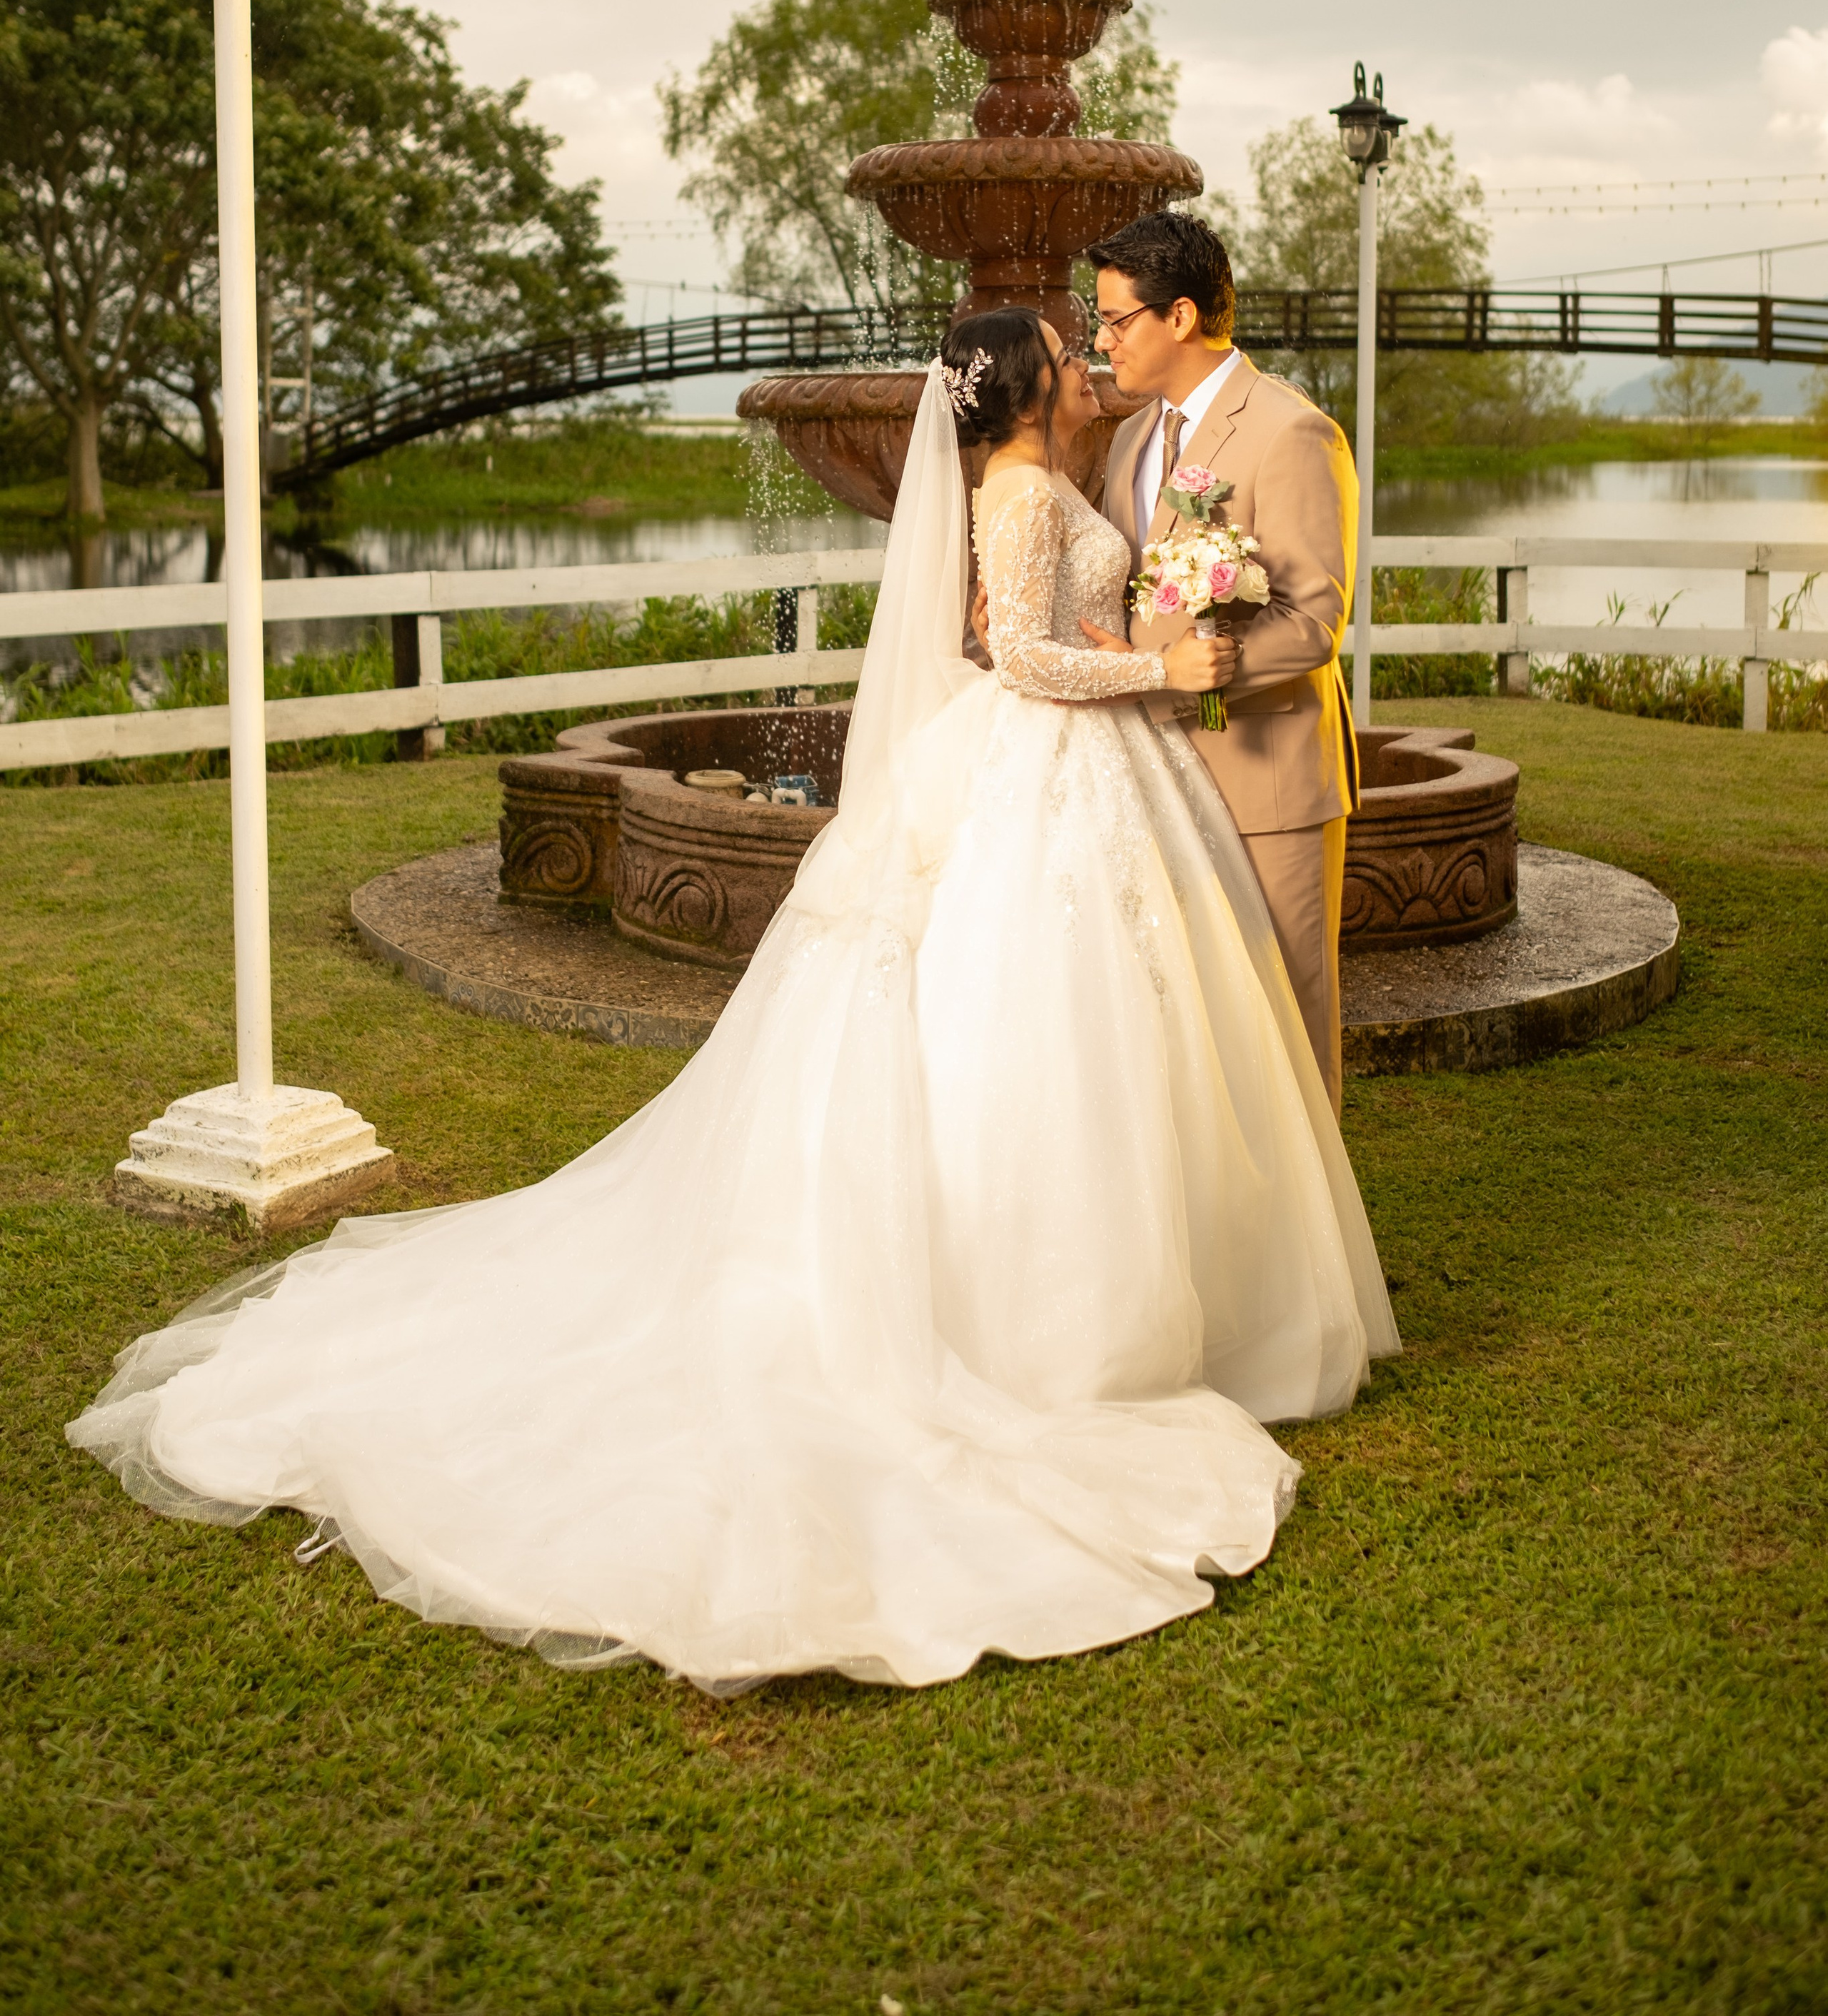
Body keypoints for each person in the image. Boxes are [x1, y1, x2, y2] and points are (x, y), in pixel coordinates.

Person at [69, 313, 1396, 1698]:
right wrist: (1156, 668)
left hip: (1080, 771)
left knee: (1097, 1031)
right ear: (1018, 390)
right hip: (1042, 758)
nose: (1082, 366)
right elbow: (1019, 652)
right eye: (1065, 354)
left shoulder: (1053, 479)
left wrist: (1147, 625)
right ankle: (1046, 1330)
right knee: (1031, 1033)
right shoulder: (1015, 494)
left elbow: (1050, 625)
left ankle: (1148, 1303)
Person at [1088, 213, 1360, 1117]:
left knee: (1287, 1026)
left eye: (1116, 320)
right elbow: (1126, 596)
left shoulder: (1291, 432)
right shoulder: (1131, 440)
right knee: (1192, 1033)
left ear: (1180, 316)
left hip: (1266, 779)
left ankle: (1311, 1218)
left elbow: (1313, 618)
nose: (1103, 341)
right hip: (1156, 774)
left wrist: (1195, 670)